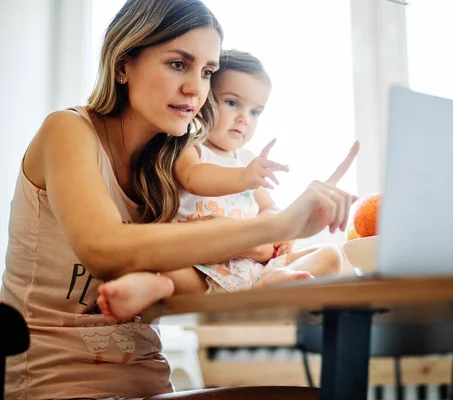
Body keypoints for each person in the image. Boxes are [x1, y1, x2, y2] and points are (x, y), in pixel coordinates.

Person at [0, 0, 358, 399]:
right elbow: (104, 250)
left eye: (206, 72)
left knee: (319, 395)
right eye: (177, 64)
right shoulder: (67, 130)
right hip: (58, 386)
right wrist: (273, 225)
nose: (196, 89)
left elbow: (192, 284)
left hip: (150, 384)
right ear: (123, 63)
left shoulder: (167, 170)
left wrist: (262, 249)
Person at [95, 50, 345, 322]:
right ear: (204, 100)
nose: (244, 118)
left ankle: (277, 281)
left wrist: (280, 228)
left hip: (252, 270)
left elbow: (269, 209)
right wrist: (245, 177)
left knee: (330, 254)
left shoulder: (249, 161)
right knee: (161, 272)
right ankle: (148, 289)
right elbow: (195, 178)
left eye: (255, 111)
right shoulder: (190, 149)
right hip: (201, 267)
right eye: (232, 102)